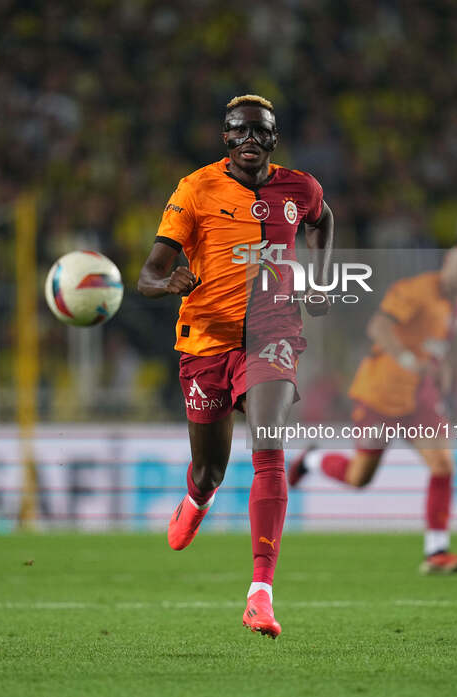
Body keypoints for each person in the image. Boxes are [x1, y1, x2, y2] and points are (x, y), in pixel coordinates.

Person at [138, 95, 333, 637]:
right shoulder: (195, 188)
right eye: (239, 132)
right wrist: (166, 283)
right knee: (211, 470)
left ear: (273, 138)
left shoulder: (300, 188)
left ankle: (260, 594)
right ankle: (199, 497)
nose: (250, 141)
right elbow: (148, 274)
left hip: (272, 333)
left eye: (260, 132)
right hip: (206, 341)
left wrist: (317, 275)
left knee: (268, 449)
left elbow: (322, 218)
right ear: (225, 138)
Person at [288, 240, 457, 574]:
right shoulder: (414, 290)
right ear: (449, 261)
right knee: (359, 478)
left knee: (443, 464)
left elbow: (437, 347)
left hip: (419, 399)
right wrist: (408, 359)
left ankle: (436, 552)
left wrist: (442, 368)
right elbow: (378, 327)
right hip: (380, 393)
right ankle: (311, 459)